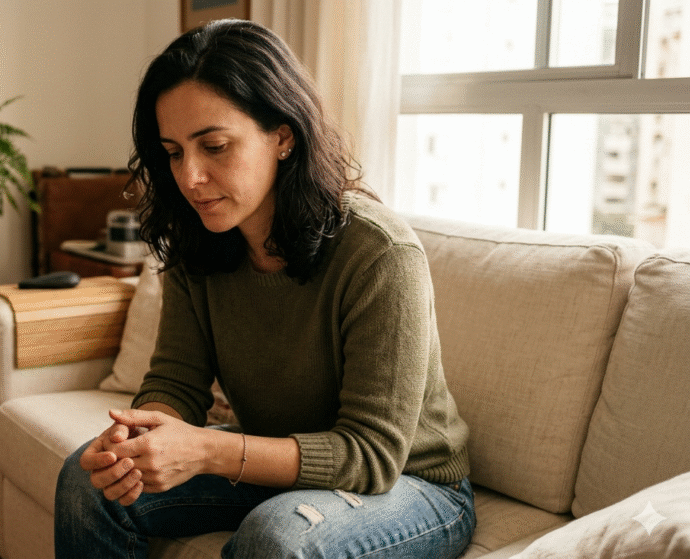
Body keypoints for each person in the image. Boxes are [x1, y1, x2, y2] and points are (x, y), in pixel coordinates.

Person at [54, 19, 474, 559]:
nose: (190, 178)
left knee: (276, 537)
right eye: (175, 153)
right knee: (89, 480)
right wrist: (140, 439)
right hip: (277, 464)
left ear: (282, 136)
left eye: (214, 146)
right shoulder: (199, 241)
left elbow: (370, 455)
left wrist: (208, 448)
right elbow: (176, 381)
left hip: (412, 485)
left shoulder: (380, 254)